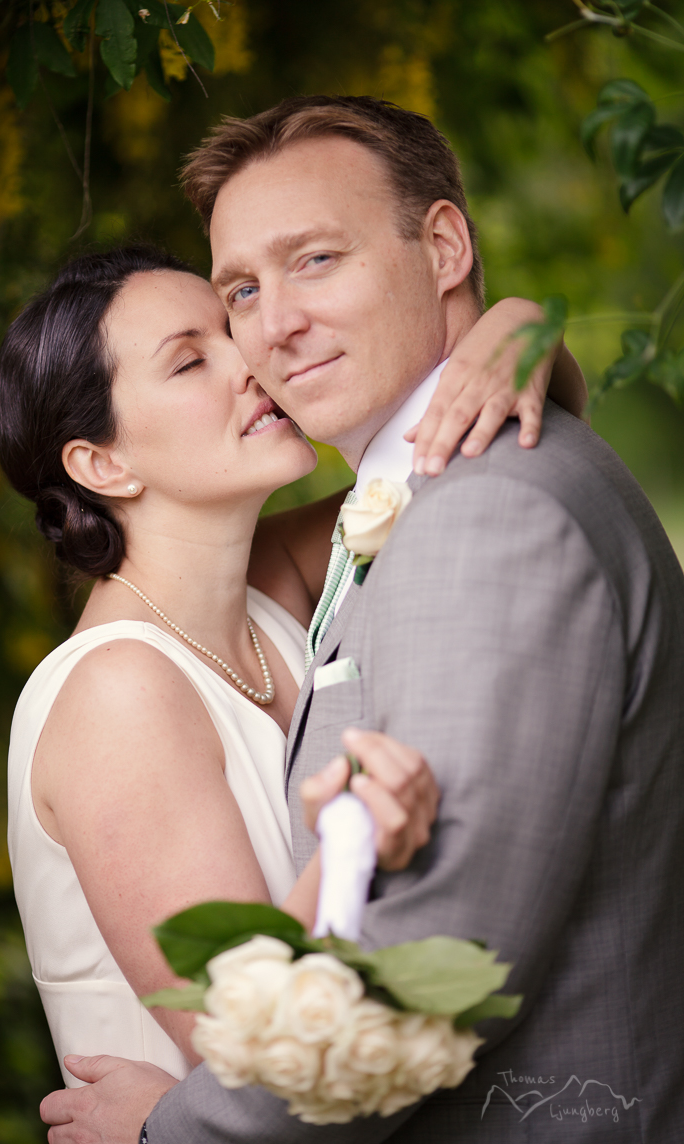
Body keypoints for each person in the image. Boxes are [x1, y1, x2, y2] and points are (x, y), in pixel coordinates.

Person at [41, 97, 684, 1143]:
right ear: (98, 464)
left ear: (440, 246)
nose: (268, 330)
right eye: (241, 290)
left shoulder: (483, 518)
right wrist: (519, 333)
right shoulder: (382, 515)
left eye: (315, 262)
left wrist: (173, 1133)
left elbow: (432, 952)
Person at [0, 244, 577, 1101]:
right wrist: (358, 840)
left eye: (231, 332)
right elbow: (262, 1054)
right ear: (102, 464)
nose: (252, 361)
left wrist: (517, 332)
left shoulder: (271, 590)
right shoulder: (117, 693)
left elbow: (478, 449)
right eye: (193, 360)